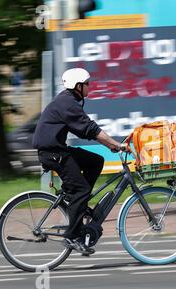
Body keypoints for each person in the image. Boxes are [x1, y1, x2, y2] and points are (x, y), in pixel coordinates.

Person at [32, 68, 121, 254]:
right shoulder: (67, 103)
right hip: (53, 153)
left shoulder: (68, 100)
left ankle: (77, 201)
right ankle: (72, 237)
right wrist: (114, 144)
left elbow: (83, 129)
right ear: (78, 86)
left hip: (57, 149)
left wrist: (108, 144)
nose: (90, 87)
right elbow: (90, 128)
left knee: (95, 161)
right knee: (81, 189)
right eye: (87, 84)